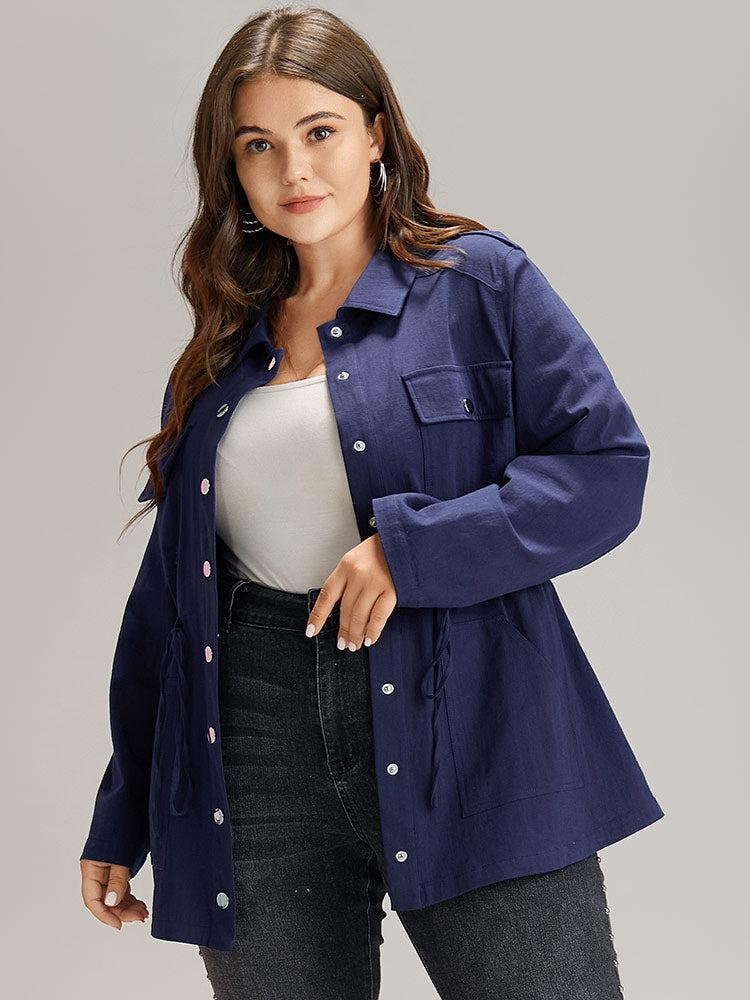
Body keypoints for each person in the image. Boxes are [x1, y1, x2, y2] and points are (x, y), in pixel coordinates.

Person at [80, 7, 663, 998]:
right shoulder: (221, 353)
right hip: (254, 745)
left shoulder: (479, 282)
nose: (293, 170)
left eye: (320, 131)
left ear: (376, 134)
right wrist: (124, 809)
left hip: (473, 725)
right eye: (258, 145)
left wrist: (411, 549)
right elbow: (169, 606)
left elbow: (606, 468)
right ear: (231, 168)